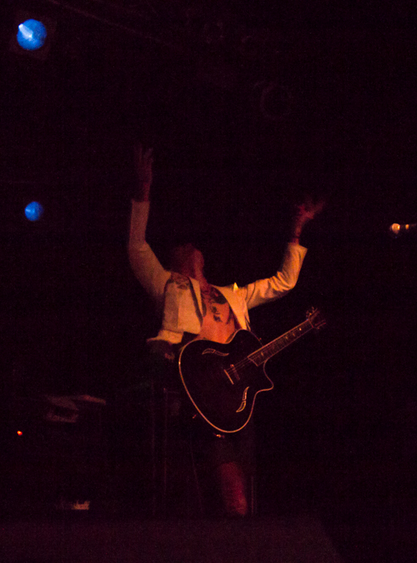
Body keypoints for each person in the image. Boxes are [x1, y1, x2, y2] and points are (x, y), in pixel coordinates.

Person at [127, 145, 324, 517]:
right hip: (195, 384)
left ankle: (239, 526)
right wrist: (143, 192)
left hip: (235, 391)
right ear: (174, 260)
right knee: (228, 486)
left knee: (243, 470)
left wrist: (297, 230)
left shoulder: (234, 294)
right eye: (181, 246)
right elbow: (137, 246)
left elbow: (283, 282)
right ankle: (233, 518)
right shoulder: (166, 283)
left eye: (193, 244)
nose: (188, 245)